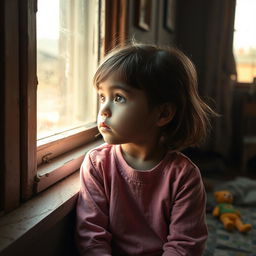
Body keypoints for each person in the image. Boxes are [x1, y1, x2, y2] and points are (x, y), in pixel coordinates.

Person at [76, 43, 215, 255]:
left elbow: (184, 245)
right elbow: (91, 235)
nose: (103, 110)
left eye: (119, 98)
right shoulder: (97, 164)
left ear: (163, 114)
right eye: (102, 97)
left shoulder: (184, 176)